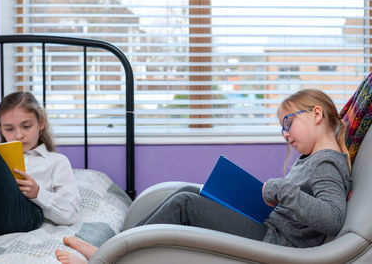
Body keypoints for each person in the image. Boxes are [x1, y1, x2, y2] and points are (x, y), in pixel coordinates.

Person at [55, 88, 351, 263]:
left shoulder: (326, 163)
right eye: (282, 127)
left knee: (186, 203)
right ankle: (115, 247)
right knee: (190, 190)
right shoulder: (309, 159)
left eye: (288, 122)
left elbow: (333, 218)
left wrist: (282, 192)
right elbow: (298, 205)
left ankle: (110, 254)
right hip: (269, 226)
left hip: (279, 243)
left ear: (316, 114)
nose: (285, 133)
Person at [0, 91, 81, 242]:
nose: (18, 135)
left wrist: (38, 193)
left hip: (24, 214)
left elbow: (71, 214)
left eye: (26, 126)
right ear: (1, 129)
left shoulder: (57, 161)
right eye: (9, 129)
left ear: (41, 123)